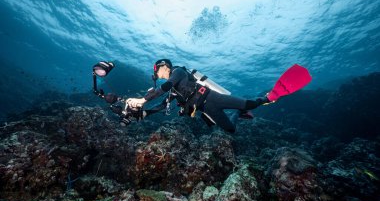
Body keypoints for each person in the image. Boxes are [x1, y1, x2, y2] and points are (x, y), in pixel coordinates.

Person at [127, 59, 311, 133]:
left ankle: (268, 97)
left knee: (249, 104)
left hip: (212, 97)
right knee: (230, 130)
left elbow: (166, 86)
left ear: (163, 66)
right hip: (207, 109)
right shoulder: (174, 90)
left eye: (156, 70)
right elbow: (163, 103)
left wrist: (143, 100)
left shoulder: (178, 72)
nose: (156, 74)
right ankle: (237, 114)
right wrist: (146, 113)